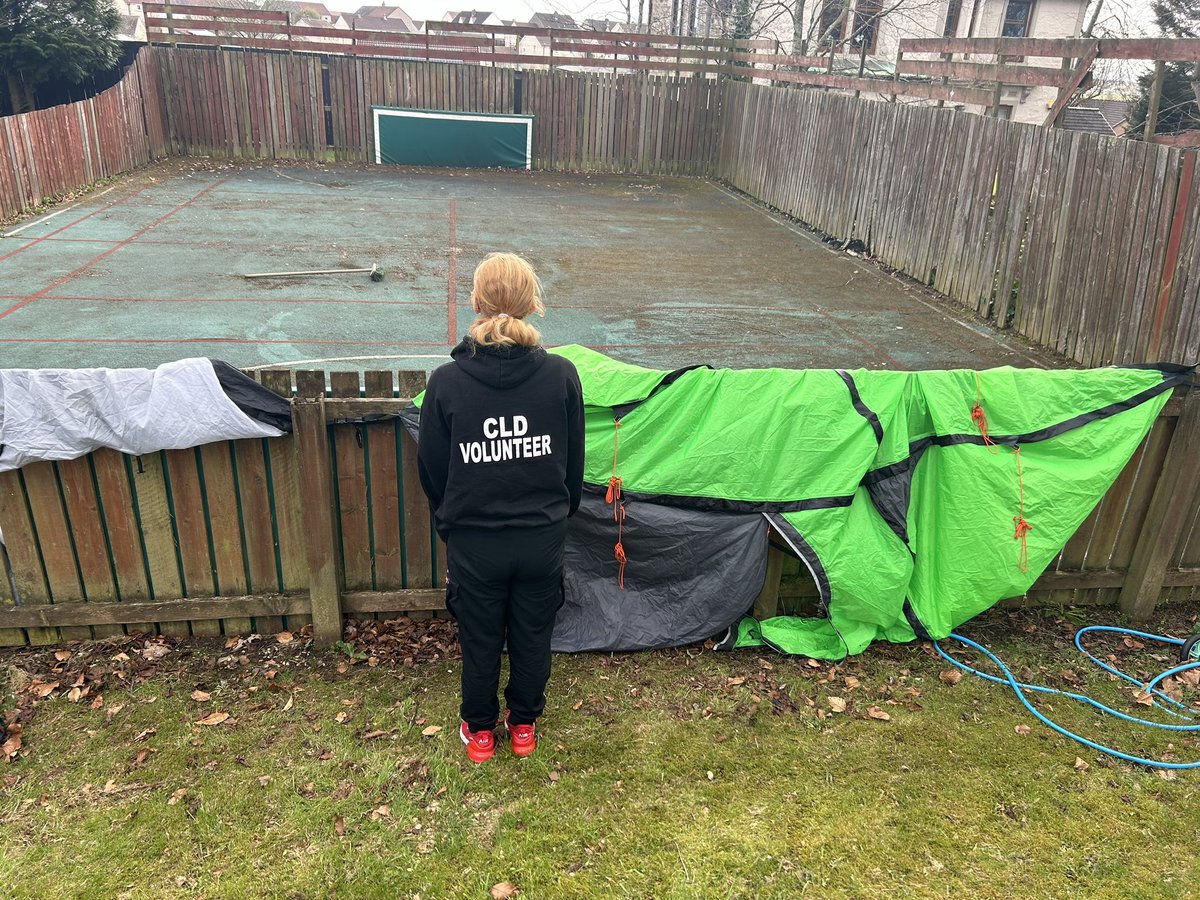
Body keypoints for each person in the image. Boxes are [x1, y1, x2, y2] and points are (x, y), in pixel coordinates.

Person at [417, 252, 585, 763]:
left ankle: (482, 732)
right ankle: (523, 725)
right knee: (534, 634)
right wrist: (556, 517)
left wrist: (453, 525)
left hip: (476, 540)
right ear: (531, 303)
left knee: (481, 635)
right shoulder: (561, 376)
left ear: (476, 301)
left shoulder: (446, 382)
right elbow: (572, 466)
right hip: (540, 538)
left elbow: (432, 471)